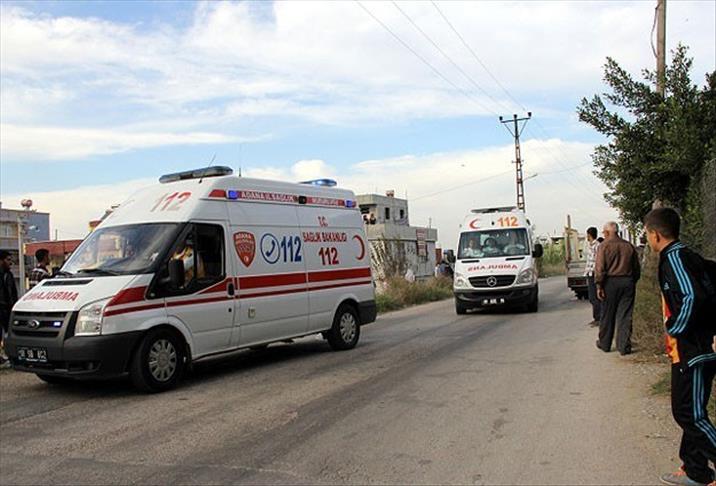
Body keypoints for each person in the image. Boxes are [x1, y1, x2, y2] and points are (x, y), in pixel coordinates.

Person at [643, 208, 716, 486]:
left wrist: (675, 327)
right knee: (692, 412)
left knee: (688, 413)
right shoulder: (685, 255)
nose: (647, 239)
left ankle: (699, 470)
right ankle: (696, 471)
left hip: (693, 349)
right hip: (691, 348)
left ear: (655, 234)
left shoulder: (674, 258)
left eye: (647, 234)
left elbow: (692, 296)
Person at [595, 221, 640, 355]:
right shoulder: (629, 246)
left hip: (610, 283)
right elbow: (636, 268)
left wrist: (599, 285)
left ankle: (605, 343)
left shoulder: (604, 246)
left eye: (604, 232)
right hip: (627, 281)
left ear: (607, 232)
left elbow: (600, 269)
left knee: (607, 314)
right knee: (625, 315)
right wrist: (632, 281)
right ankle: (623, 346)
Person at [0, 250, 19, 367]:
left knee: (9, 333)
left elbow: (12, 293)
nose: (10, 263)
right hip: (2, 307)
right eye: (8, 260)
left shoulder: (8, 275)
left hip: (7, 309)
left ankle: (10, 355)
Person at [584, 227, 601, 327]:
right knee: (592, 297)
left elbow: (598, 260)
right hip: (590, 272)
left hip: (594, 273)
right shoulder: (590, 245)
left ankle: (598, 318)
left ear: (589, 235)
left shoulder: (597, 246)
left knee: (594, 297)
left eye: (587, 234)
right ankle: (596, 317)